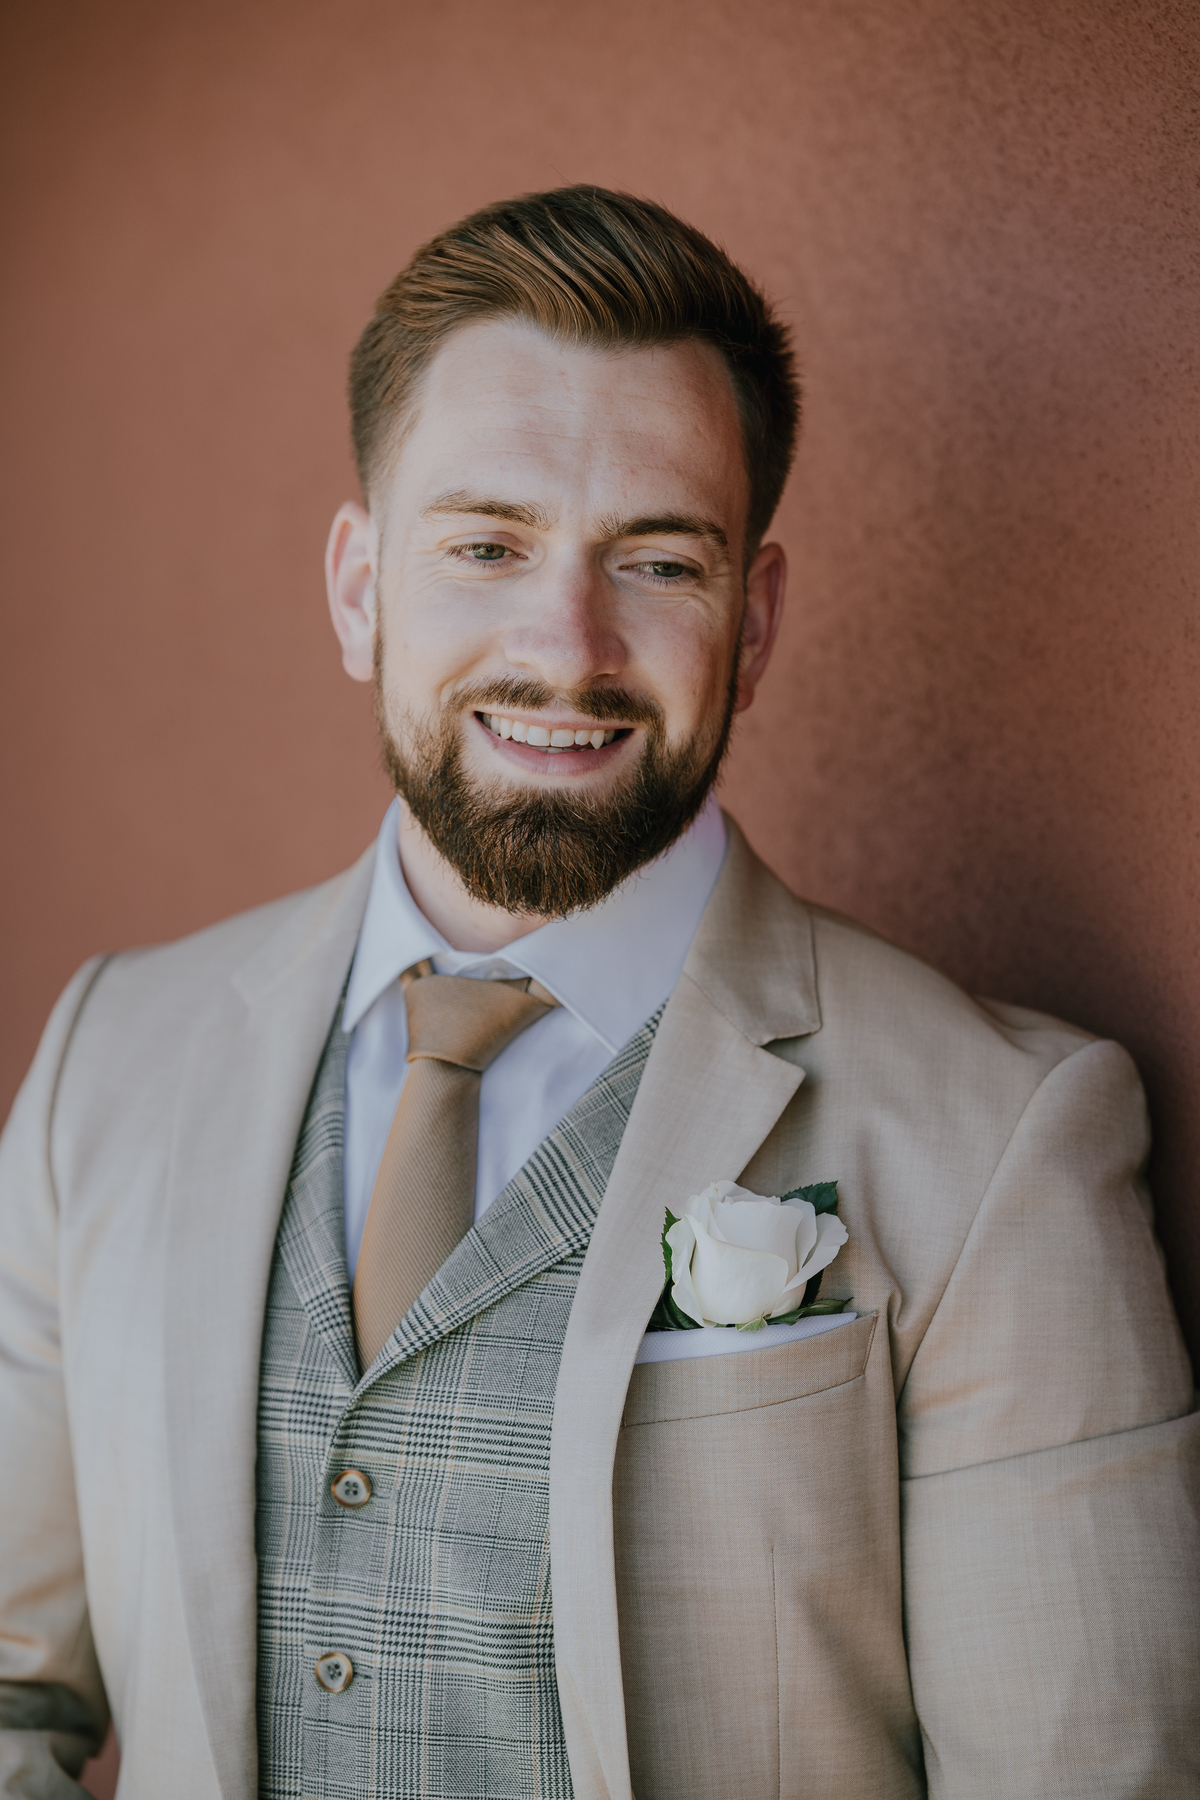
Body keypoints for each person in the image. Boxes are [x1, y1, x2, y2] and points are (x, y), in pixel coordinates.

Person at [0, 186, 1195, 1800]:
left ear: (751, 624)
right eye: (486, 546)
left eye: (657, 560)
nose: (567, 648)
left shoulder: (1004, 1136)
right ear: (358, 587)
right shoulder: (110, 1062)